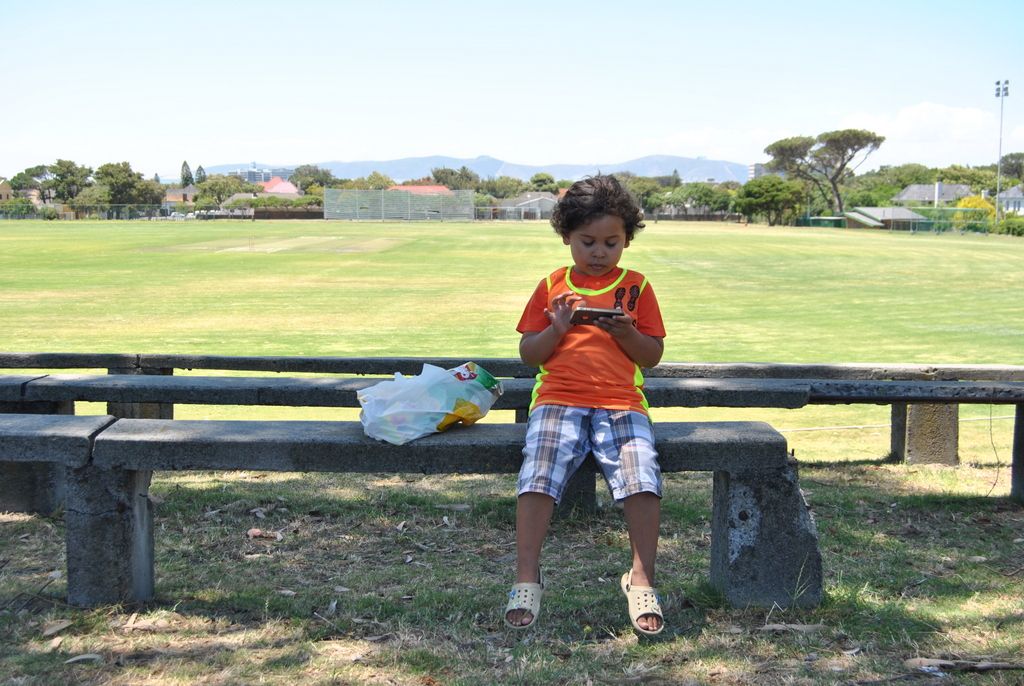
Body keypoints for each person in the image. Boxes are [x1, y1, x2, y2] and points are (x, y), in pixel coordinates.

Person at [504, 175, 667, 635]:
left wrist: (627, 333)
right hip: (558, 397)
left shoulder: (636, 287)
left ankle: (641, 578)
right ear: (566, 237)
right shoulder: (553, 285)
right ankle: (526, 577)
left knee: (641, 476)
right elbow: (529, 355)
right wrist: (557, 328)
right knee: (539, 471)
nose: (599, 253)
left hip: (621, 401)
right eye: (587, 242)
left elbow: (651, 356)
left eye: (611, 243)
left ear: (627, 240)